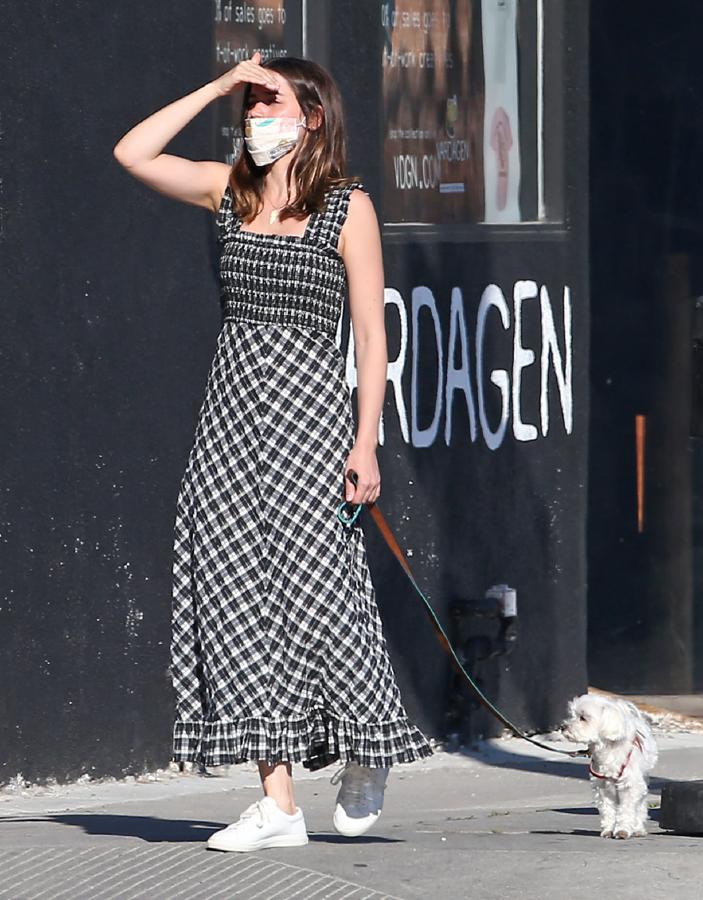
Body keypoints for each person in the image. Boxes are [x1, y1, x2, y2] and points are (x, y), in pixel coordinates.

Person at [113, 52, 432, 853]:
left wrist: (366, 444)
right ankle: (278, 804)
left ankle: (365, 749)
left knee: (323, 598)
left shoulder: (345, 207)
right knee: (232, 599)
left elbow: (370, 336)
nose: (256, 116)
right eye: (250, 105)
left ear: (312, 116)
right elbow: (133, 153)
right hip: (228, 424)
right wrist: (217, 86)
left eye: (271, 102)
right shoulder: (230, 191)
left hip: (309, 423)